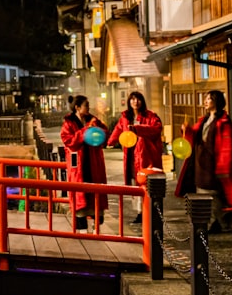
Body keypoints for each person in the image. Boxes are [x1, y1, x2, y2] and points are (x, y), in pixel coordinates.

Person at [174, 90, 232, 233]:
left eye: (209, 99)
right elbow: (194, 136)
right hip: (201, 163)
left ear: (216, 101)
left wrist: (224, 165)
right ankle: (214, 221)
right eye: (205, 99)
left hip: (214, 162)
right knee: (203, 192)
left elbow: (227, 146)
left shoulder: (224, 123)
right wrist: (187, 131)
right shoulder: (204, 120)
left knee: (213, 193)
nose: (205, 101)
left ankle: (216, 220)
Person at [107, 91, 164, 224]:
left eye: (138, 99)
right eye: (132, 99)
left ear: (142, 101)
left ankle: (147, 212)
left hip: (146, 156)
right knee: (135, 184)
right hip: (131, 156)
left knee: (146, 183)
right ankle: (140, 211)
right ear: (129, 102)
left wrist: (137, 129)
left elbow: (156, 129)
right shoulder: (125, 117)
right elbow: (118, 130)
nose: (135, 102)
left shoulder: (151, 116)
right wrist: (109, 141)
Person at [60, 94, 109, 231]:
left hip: (94, 161)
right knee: (80, 196)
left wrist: (97, 130)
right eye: (86, 105)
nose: (88, 107)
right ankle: (82, 231)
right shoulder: (69, 123)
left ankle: (95, 230)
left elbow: (105, 133)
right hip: (78, 163)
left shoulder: (94, 120)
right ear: (77, 107)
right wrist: (85, 132)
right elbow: (68, 141)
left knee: (95, 194)